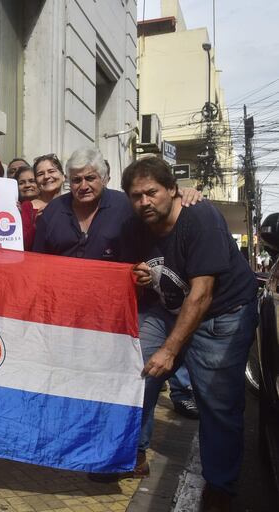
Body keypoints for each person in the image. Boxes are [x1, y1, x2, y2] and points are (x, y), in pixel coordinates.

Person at [125, 156, 258, 511]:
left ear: (172, 190)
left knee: (217, 402)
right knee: (135, 374)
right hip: (168, 308)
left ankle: (220, 486)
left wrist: (170, 351)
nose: (144, 201)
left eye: (152, 192)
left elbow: (201, 295)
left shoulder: (201, 218)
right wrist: (141, 275)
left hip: (221, 315)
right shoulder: (137, 223)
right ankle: (133, 454)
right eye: (136, 195)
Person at [31, 147, 135, 261]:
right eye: (77, 180)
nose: (84, 186)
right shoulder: (52, 211)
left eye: (90, 178)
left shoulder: (124, 206)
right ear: (69, 181)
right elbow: (38, 260)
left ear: (103, 178)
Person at [13, 164, 38, 250]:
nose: (27, 185)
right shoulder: (13, 208)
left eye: (32, 181)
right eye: (21, 183)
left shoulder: (50, 205)